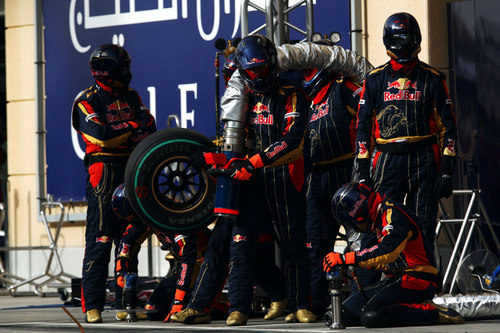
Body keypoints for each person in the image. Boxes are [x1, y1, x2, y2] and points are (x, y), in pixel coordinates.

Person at [171, 53, 287, 325]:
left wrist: (221, 159)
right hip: (234, 185)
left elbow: (255, 149)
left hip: (262, 182)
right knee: (219, 246)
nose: (231, 82)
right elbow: (228, 149)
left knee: (240, 248)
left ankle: (239, 308)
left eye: (235, 76)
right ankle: (202, 306)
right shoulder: (233, 107)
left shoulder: (265, 102)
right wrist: (208, 157)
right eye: (228, 76)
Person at [224, 34, 313, 325]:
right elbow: (231, 138)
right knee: (241, 243)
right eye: (252, 71)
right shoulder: (241, 96)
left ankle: (300, 305)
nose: (258, 75)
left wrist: (255, 162)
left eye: (262, 68)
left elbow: (292, 139)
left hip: (284, 176)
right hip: (250, 178)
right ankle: (237, 306)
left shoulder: (293, 93)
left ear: (273, 64)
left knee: (293, 243)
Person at [355, 12, 457, 248]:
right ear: (388, 40)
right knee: (378, 221)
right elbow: (363, 129)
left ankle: (424, 283)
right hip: (386, 158)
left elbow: (448, 128)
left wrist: (447, 170)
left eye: (407, 38)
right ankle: (371, 284)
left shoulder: (433, 78)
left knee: (423, 227)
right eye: (397, 39)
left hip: (425, 158)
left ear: (417, 39)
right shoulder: (373, 80)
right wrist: (362, 171)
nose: (402, 45)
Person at [71, 44, 156, 323]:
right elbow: (102, 136)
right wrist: (132, 127)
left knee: (128, 239)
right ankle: (92, 305)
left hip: (132, 167)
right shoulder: (85, 100)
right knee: (100, 238)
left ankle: (125, 302)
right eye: (124, 67)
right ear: (109, 71)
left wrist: (128, 130)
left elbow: (150, 126)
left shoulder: (131, 95)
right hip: (103, 172)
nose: (128, 72)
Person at [324, 182, 464, 327]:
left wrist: (345, 258)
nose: (355, 228)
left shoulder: (393, 213)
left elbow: (388, 250)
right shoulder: (380, 216)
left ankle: (434, 312)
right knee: (341, 313)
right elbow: (389, 258)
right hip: (394, 279)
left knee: (372, 315)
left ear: (360, 214)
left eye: (352, 223)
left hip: (419, 279)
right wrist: (352, 262)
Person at [301, 42, 362, 316]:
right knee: (315, 243)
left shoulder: (344, 87)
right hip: (317, 177)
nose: (306, 72)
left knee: (358, 238)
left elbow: (368, 115)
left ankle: (365, 296)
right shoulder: (306, 99)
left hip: (345, 171)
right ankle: (316, 303)